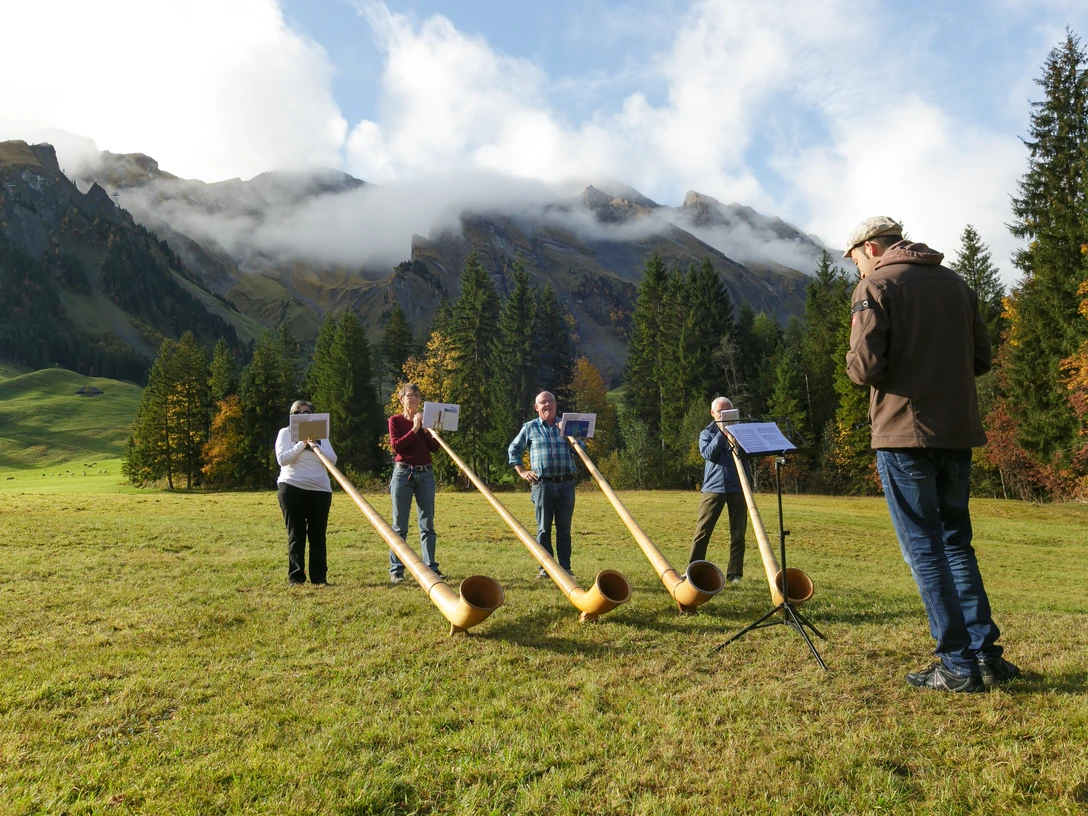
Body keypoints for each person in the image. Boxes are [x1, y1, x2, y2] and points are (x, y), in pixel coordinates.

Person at [844, 215, 1018, 693]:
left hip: (904, 435)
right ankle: (985, 656)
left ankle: (957, 665)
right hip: (957, 432)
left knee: (924, 547)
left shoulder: (875, 287)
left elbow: (863, 370)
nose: (856, 268)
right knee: (956, 542)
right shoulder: (956, 282)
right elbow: (982, 358)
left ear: (871, 249)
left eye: (855, 258)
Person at [508, 391, 579, 578]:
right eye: (543, 402)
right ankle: (546, 569)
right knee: (543, 529)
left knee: (564, 529)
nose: (547, 404)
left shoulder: (567, 426)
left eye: (550, 401)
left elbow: (582, 451)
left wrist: (569, 435)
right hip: (542, 485)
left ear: (556, 405)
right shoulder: (530, 427)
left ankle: (565, 568)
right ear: (536, 407)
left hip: (566, 484)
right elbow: (513, 449)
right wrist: (522, 471)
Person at [275, 400, 336, 586]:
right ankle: (296, 578)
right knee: (296, 534)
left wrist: (316, 444)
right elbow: (282, 459)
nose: (302, 416)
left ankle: (319, 579)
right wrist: (301, 444)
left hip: (320, 490)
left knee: (318, 536)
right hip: (292, 488)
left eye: (306, 412)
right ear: (291, 416)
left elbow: (332, 460)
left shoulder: (321, 436)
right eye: (297, 413)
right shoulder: (285, 433)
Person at [388, 383, 444, 585]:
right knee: (399, 525)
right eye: (409, 395)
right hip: (403, 473)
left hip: (426, 474)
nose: (413, 399)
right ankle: (397, 570)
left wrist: (429, 430)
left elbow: (435, 448)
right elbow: (397, 447)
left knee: (427, 524)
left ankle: (431, 568)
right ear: (401, 399)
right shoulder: (395, 420)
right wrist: (414, 429)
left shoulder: (426, 422)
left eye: (417, 396)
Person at [689, 396, 747, 583]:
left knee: (738, 533)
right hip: (713, 488)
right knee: (703, 532)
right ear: (713, 413)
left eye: (727, 411)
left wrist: (738, 441)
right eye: (720, 412)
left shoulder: (741, 432)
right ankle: (693, 571)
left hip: (738, 487)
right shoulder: (707, 433)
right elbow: (708, 454)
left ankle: (735, 574)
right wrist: (722, 434)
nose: (724, 415)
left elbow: (749, 453)